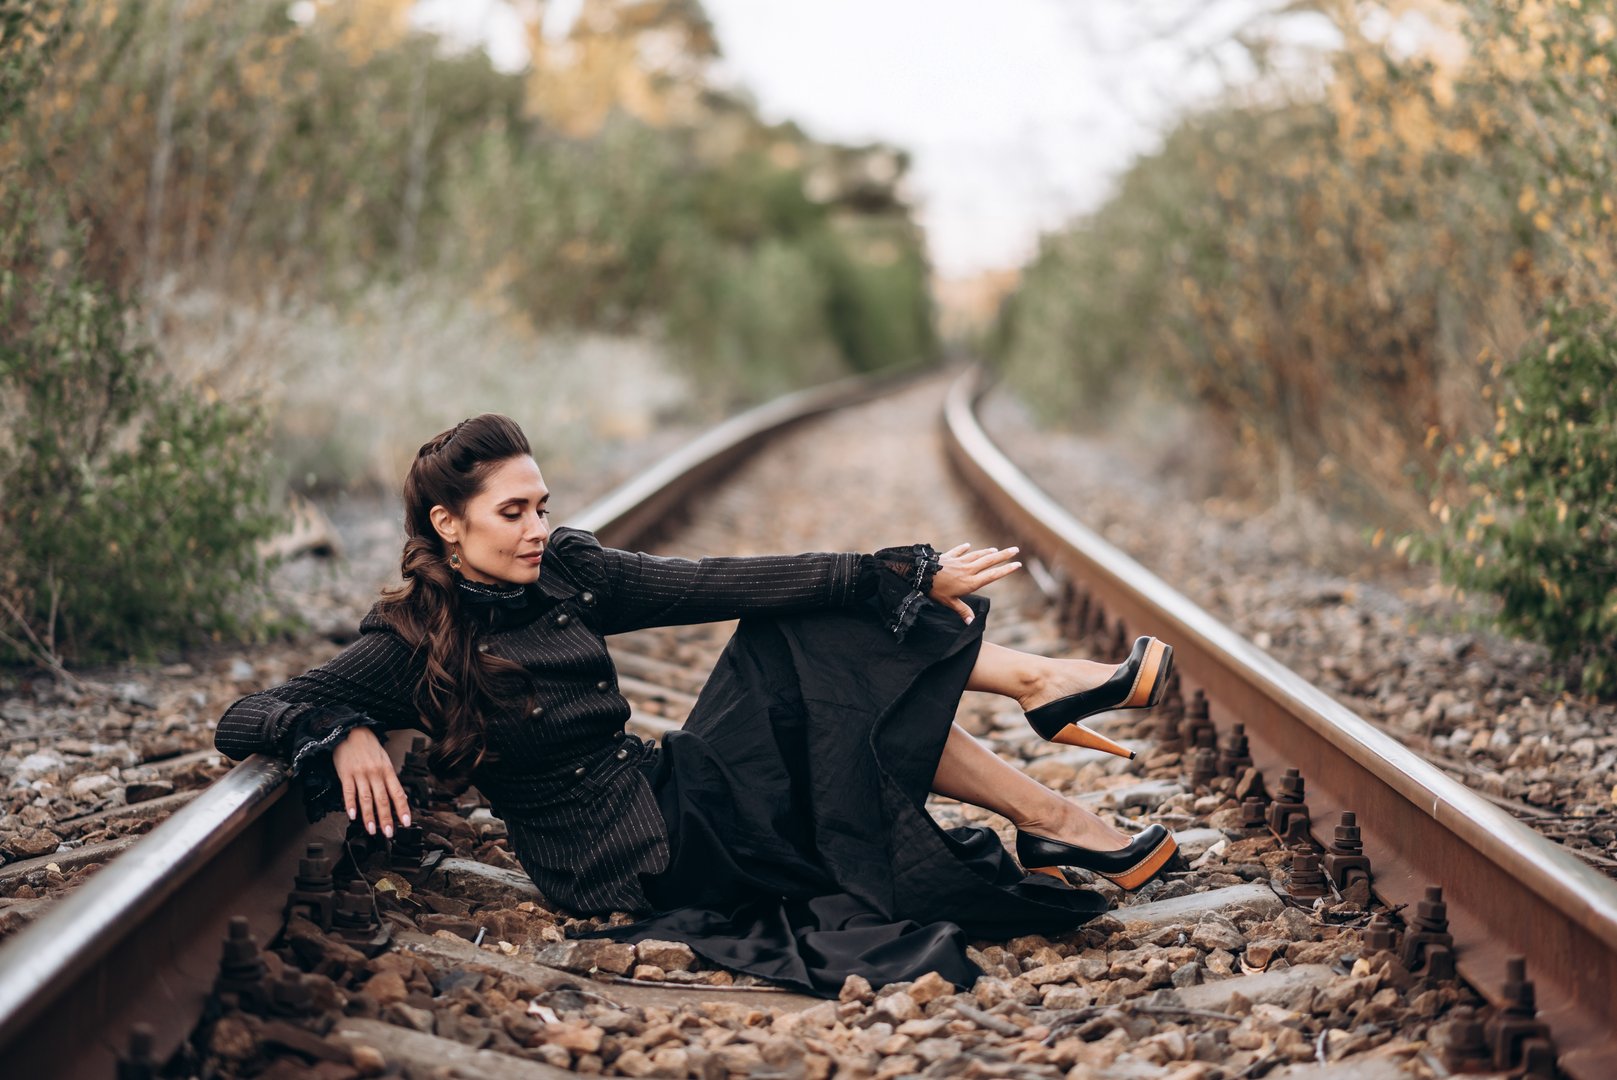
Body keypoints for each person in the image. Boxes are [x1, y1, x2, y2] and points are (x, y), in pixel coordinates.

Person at [216, 414, 1179, 997]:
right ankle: (1045, 725)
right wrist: (338, 732)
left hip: (678, 796)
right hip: (635, 859)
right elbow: (247, 716)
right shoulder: (413, 642)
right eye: (512, 514)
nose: (537, 528)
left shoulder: (571, 573)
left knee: (793, 619)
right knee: (802, 648)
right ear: (446, 524)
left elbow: (721, 578)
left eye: (541, 505)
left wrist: (905, 571)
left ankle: (1050, 780)